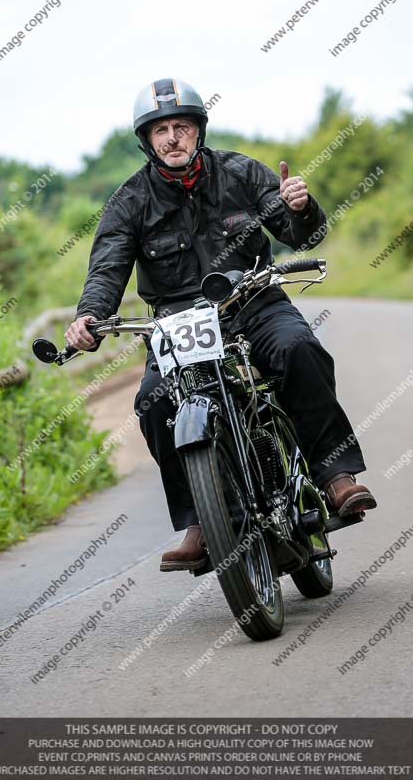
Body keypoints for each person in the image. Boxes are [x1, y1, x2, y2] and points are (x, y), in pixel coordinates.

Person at [66, 77, 377, 572]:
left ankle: (335, 475)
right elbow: (106, 268)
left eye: (181, 126)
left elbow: (303, 235)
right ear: (147, 140)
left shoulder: (241, 173)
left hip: (252, 301)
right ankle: (202, 520)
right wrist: (88, 315)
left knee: (300, 349)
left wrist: (300, 206)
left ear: (198, 130)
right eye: (161, 129)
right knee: (153, 401)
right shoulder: (129, 201)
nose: (172, 137)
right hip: (177, 321)